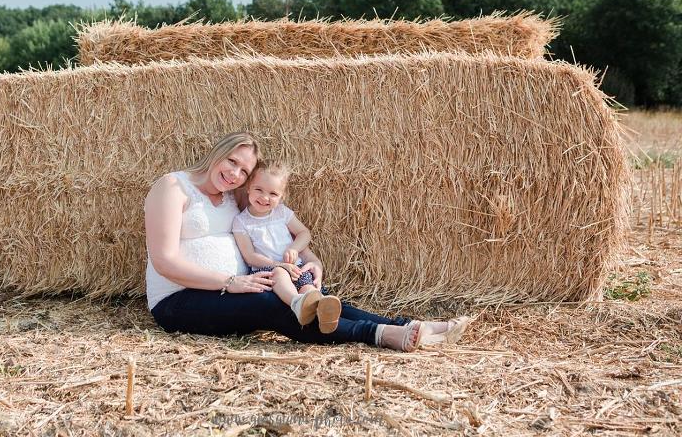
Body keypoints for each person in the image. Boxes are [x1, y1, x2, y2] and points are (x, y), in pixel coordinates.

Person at [145, 132, 469, 351]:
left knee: (314, 297)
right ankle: (380, 335)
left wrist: (310, 260)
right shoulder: (173, 187)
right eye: (232, 161)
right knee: (270, 304)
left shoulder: (232, 198)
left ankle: (409, 323)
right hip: (180, 301)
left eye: (244, 172)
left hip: (234, 286)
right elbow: (165, 261)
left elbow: (272, 230)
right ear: (218, 153)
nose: (235, 174)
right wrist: (232, 282)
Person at [232, 159, 342, 333]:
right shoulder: (241, 222)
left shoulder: (282, 213)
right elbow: (250, 256)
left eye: (273, 194)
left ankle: (322, 311)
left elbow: (304, 233)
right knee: (279, 274)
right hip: (268, 271)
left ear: (282, 196)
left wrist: (294, 249)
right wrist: (280, 265)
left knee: (309, 288)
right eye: (258, 189)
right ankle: (297, 304)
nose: (265, 198)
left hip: (295, 267)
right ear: (248, 188)